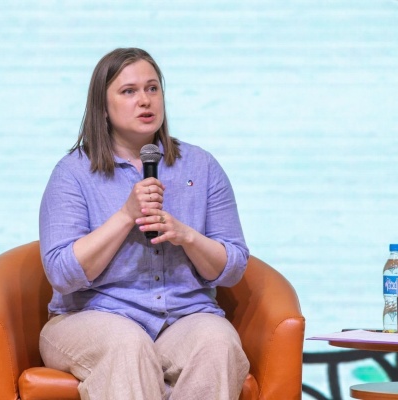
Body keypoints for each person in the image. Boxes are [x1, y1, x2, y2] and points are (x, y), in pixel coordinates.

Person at [38, 47, 250, 400]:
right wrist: (125, 216)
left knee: (218, 341)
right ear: (102, 107)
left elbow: (234, 267)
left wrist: (187, 237)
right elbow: (61, 273)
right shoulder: (73, 173)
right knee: (127, 344)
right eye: (129, 91)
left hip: (183, 317)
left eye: (152, 88)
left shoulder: (201, 166)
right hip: (90, 316)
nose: (145, 100)